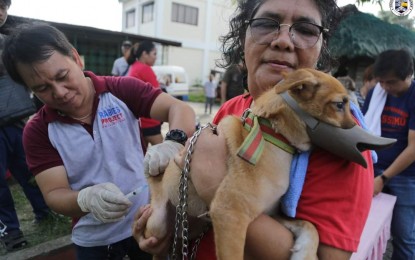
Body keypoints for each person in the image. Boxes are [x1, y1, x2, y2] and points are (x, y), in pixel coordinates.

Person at [133, 0, 374, 259]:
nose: (283, 40)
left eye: (305, 29)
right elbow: (197, 218)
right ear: (242, 38)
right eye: (266, 24)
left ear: (321, 47)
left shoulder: (339, 139)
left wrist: (214, 183)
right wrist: (168, 232)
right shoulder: (234, 108)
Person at [1, 23, 196, 259]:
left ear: (75, 57)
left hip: (147, 221)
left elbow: (178, 108)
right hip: (94, 241)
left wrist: (174, 141)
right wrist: (86, 199)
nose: (60, 92)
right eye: (42, 88)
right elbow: (54, 193)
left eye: (62, 76)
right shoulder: (38, 131)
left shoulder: (119, 91)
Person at [0, 0, 52, 252]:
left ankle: (45, 212)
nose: (0, 11)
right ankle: (10, 230)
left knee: (32, 173)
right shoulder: (10, 45)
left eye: (3, 6)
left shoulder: (11, 41)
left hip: (19, 120)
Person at [362, 49, 415, 260]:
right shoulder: (377, 92)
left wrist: (383, 178)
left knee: (404, 237)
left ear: (408, 75)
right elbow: (364, 127)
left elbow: (413, 148)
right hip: (373, 169)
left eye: (391, 82)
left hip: (406, 177)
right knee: (365, 227)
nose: (385, 87)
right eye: (381, 81)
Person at [127, 41, 164, 148]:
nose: (155, 57)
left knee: (141, 158)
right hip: (150, 120)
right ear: (144, 54)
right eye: (154, 54)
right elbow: (158, 96)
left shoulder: (134, 67)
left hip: (138, 121)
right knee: (165, 157)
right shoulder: (145, 69)